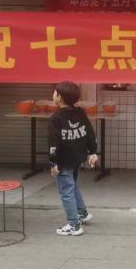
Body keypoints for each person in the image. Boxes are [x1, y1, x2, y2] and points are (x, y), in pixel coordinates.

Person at [49, 81, 99, 236]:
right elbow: (90, 132)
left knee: (66, 191)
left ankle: (74, 225)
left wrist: (53, 161)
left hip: (63, 160)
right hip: (78, 157)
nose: (53, 94)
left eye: (55, 92)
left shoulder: (56, 117)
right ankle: (82, 213)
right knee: (72, 185)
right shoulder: (80, 113)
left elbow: (53, 141)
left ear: (59, 97)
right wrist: (93, 151)